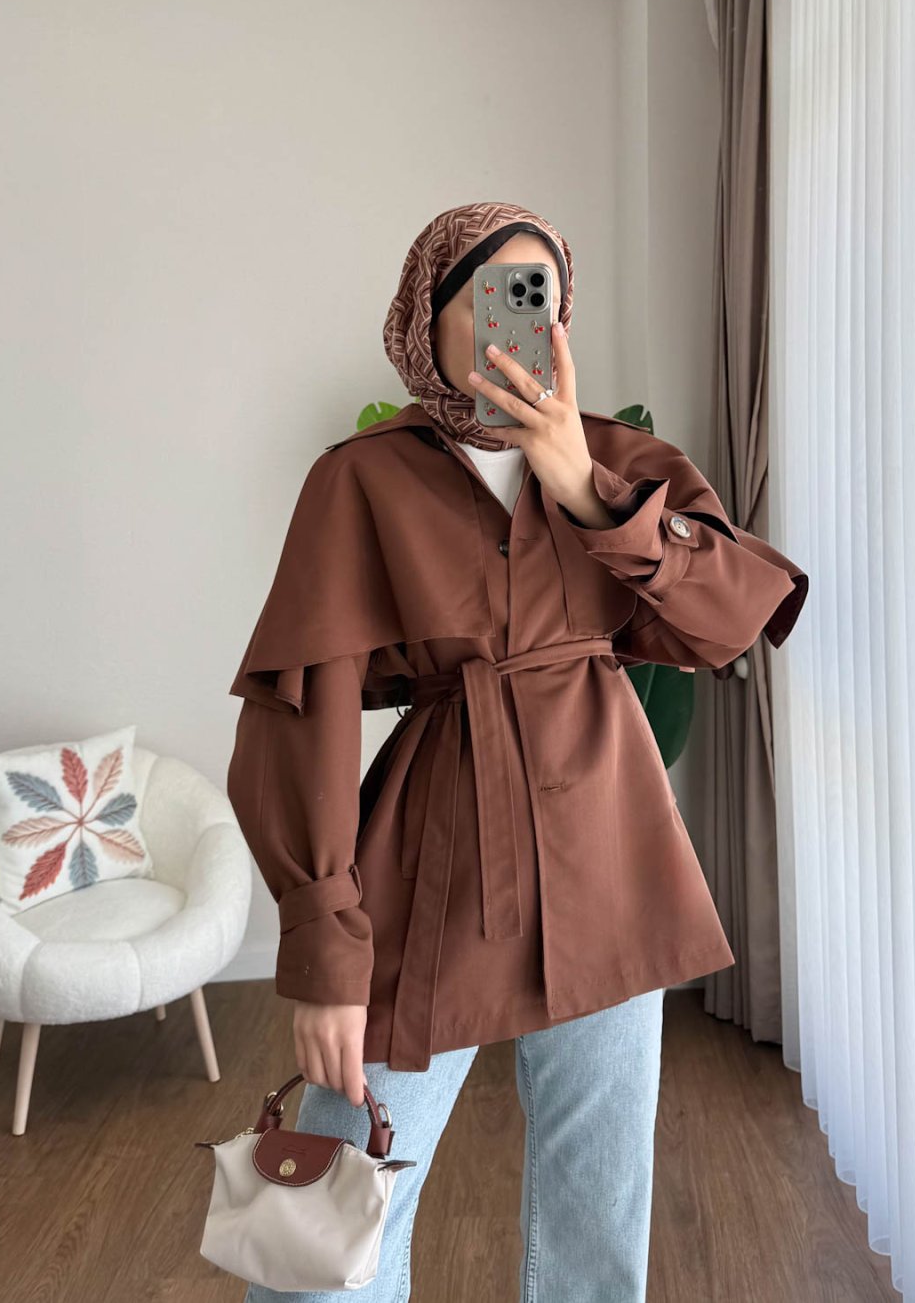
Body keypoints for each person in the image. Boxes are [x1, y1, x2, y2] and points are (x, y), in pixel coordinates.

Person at [226, 201, 809, 1301]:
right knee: (326, 1239)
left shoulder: (623, 460)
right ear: (427, 316)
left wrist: (583, 486)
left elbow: (729, 618)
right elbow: (300, 721)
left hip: (614, 855)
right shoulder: (360, 479)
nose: (520, 319)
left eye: (541, 295)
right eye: (493, 293)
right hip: (436, 861)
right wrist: (323, 952)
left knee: (599, 1212)